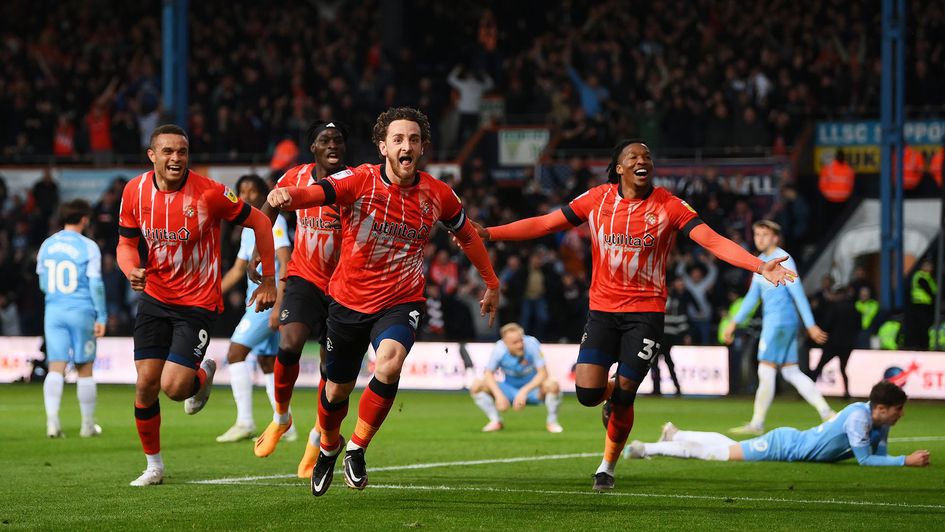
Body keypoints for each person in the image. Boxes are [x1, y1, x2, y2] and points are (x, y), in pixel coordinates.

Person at [474, 140, 797, 492]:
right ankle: (609, 392)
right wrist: (492, 233)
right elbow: (547, 224)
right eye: (634, 157)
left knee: (626, 395)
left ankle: (607, 467)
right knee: (586, 393)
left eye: (647, 157)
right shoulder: (596, 199)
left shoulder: (669, 206)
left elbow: (712, 241)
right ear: (619, 168)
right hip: (602, 311)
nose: (643, 161)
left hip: (646, 313)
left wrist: (758, 264)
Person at [267, 107, 500, 496]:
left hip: (401, 299)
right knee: (335, 390)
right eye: (398, 139)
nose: (406, 145)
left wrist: (491, 282)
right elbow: (321, 192)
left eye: (413, 139)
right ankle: (328, 447)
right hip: (347, 300)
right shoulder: (359, 179)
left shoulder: (438, 193)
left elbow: (469, 236)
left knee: (389, 363)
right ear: (383, 147)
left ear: (422, 147)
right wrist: (291, 195)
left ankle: (356, 448)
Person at [117, 124, 277, 486]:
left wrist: (268, 279)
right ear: (152, 156)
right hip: (155, 297)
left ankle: (202, 376)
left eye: (183, 152)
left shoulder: (210, 194)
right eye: (169, 152)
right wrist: (131, 269)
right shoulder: (134, 191)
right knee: (145, 385)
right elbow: (126, 243)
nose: (176, 159)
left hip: (197, 302)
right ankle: (154, 466)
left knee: (173, 388)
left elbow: (261, 222)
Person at [251, 121, 347, 481]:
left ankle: (317, 437)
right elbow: (268, 209)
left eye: (338, 139)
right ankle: (281, 418)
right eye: (325, 140)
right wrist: (261, 252)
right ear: (313, 148)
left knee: (331, 371)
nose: (333, 144)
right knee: (288, 344)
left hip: (344, 287)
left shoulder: (356, 181)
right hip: (305, 277)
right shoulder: (296, 175)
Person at [625, 381, 931, 468]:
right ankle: (648, 448)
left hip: (792, 442)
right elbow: (866, 460)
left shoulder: (878, 419)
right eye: (898, 410)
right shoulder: (858, 417)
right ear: (880, 408)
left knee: (725, 447)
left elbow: (880, 452)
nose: (900, 415)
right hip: (784, 446)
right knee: (719, 454)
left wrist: (897, 459)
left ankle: (677, 434)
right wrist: (906, 461)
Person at [723, 220, 833, 436]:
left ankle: (757, 423)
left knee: (765, 369)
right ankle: (827, 412)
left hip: (777, 323)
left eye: (765, 234)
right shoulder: (761, 262)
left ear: (776, 237)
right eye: (757, 234)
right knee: (791, 371)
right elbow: (752, 298)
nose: (760, 238)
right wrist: (734, 323)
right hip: (784, 322)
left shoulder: (784, 259)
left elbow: (798, 293)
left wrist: (810, 325)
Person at [215, 174, 294, 443]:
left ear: (263, 194)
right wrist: (210, 295)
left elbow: (286, 262)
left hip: (267, 303)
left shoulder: (276, 222)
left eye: (252, 190)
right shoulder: (249, 229)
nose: (247, 196)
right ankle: (286, 424)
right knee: (267, 363)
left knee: (235, 352)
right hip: (260, 302)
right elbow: (238, 270)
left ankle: (245, 422)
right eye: (242, 191)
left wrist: (279, 307)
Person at [36, 199, 107, 438]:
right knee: (84, 367)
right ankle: (87, 425)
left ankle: (52, 423)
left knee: (55, 366)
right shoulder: (88, 247)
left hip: (54, 311)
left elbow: (43, 283)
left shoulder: (47, 245)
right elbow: (96, 284)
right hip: (81, 310)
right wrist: (102, 315)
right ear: (85, 219)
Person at [470, 322, 563, 433]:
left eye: (521, 340)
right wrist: (498, 395)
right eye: (515, 343)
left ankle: (552, 422)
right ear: (505, 343)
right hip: (509, 390)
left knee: (552, 384)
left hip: (532, 390)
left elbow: (543, 373)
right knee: (477, 386)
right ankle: (496, 421)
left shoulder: (532, 344)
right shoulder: (499, 349)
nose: (520, 345)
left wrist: (524, 392)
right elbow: (488, 374)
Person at [811, 285, 861, 398]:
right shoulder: (854, 308)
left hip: (833, 343)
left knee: (820, 366)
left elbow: (827, 324)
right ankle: (846, 393)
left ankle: (809, 391)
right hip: (847, 344)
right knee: (843, 369)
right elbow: (859, 326)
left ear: (839, 295)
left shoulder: (835, 307)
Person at [903, 259, 936, 351]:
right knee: (921, 327)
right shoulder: (920, 276)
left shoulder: (929, 278)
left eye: (930, 266)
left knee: (925, 328)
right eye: (927, 266)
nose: (929, 268)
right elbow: (930, 291)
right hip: (919, 306)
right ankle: (921, 346)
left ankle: (923, 345)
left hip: (926, 307)